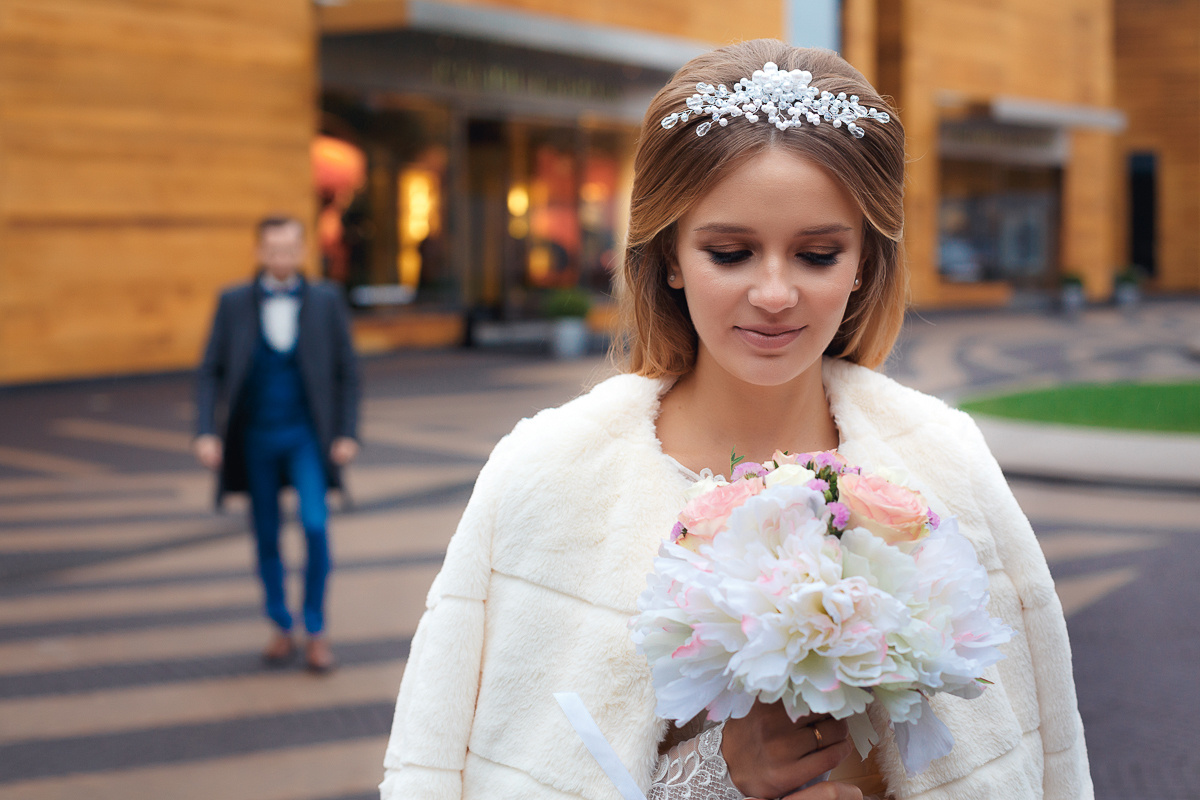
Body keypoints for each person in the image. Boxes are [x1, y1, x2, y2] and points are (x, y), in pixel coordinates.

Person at [381, 41, 1092, 800]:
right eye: (730, 252)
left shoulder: (947, 462)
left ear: (864, 263)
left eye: (817, 255)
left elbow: (1038, 763)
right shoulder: (547, 475)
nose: (775, 293)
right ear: (670, 256)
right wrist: (717, 777)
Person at [194, 215, 361, 673]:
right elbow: (209, 371)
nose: (281, 258)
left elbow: (348, 371)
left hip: (306, 436)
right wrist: (206, 431)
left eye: (289, 249)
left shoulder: (327, 300)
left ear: (303, 251)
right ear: (259, 252)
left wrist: (347, 432)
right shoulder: (233, 302)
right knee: (265, 534)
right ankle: (280, 624)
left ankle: (316, 628)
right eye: (273, 250)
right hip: (254, 437)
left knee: (315, 525)